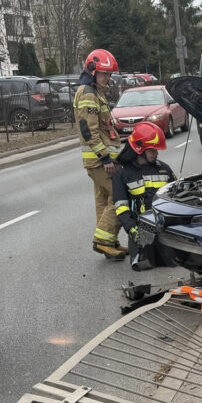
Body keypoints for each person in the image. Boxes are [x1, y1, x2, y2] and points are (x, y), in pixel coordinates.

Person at [74, 48, 126, 260]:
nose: (108, 78)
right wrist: (105, 158)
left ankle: (108, 241)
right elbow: (89, 130)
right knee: (120, 196)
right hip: (99, 160)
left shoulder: (95, 92)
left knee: (103, 201)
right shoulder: (88, 93)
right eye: (105, 74)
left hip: (99, 159)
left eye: (110, 74)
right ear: (93, 70)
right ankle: (103, 241)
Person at [112, 121, 175, 270]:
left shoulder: (164, 169)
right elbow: (121, 207)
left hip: (165, 227)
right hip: (140, 230)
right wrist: (131, 228)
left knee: (177, 261)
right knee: (144, 264)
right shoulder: (122, 174)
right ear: (140, 150)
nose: (156, 153)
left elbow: (176, 197)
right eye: (152, 150)